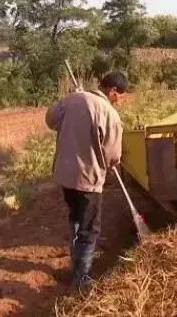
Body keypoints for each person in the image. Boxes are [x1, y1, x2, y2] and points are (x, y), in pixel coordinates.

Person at [45, 71, 127, 289]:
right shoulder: (109, 114)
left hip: (65, 175)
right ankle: (81, 279)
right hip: (88, 180)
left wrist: (68, 98)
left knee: (75, 219)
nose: (121, 100)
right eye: (121, 95)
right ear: (112, 91)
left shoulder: (72, 99)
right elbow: (113, 156)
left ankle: (75, 270)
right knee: (89, 228)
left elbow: (50, 119)